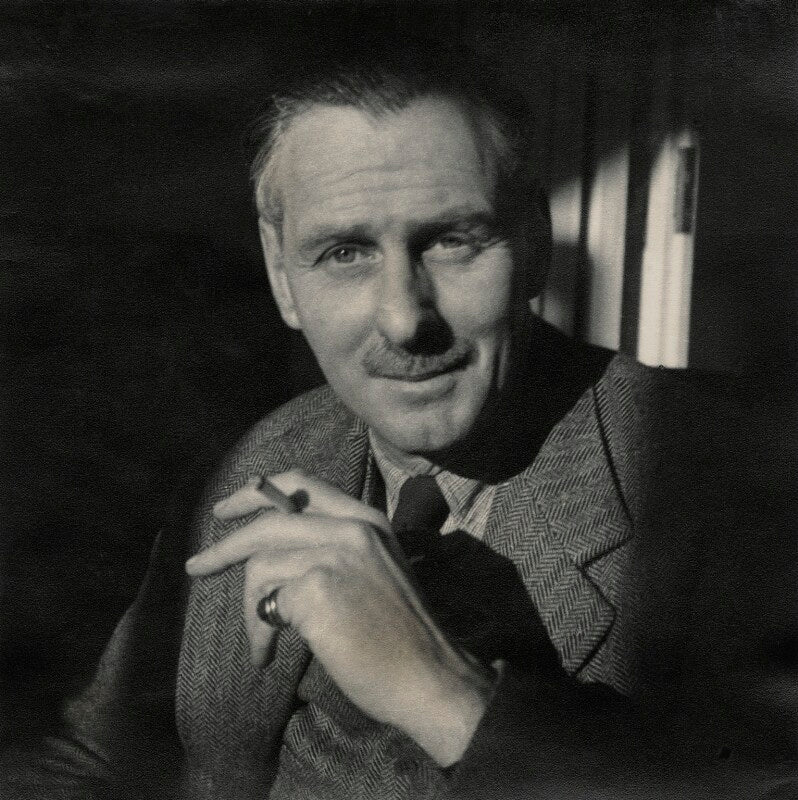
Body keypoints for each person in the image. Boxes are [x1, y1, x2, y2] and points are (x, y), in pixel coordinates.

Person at [3, 54, 794, 800]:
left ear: (532, 242)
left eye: (451, 241)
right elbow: (94, 759)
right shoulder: (254, 462)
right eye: (345, 252)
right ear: (282, 277)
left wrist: (444, 692)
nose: (404, 319)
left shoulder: (732, 478)